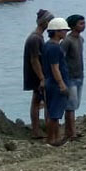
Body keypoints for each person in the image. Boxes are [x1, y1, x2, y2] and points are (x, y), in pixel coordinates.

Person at [22, 9, 54, 139]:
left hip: (36, 74)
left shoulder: (38, 37)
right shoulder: (35, 39)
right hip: (36, 75)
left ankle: (40, 129)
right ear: (45, 22)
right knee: (38, 102)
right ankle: (37, 130)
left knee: (38, 101)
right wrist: (42, 78)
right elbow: (34, 60)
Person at [41, 17, 71, 147]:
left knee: (53, 112)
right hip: (55, 84)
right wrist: (62, 84)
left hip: (50, 82)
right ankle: (52, 140)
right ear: (57, 31)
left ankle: (53, 138)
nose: (65, 33)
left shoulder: (48, 45)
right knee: (55, 114)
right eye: (64, 30)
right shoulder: (54, 48)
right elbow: (55, 68)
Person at [61, 14, 86, 141]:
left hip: (79, 76)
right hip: (70, 78)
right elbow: (61, 59)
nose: (84, 25)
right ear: (72, 26)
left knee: (75, 105)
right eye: (80, 23)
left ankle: (70, 131)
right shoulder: (67, 41)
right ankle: (71, 133)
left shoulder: (80, 40)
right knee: (70, 106)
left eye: (84, 23)